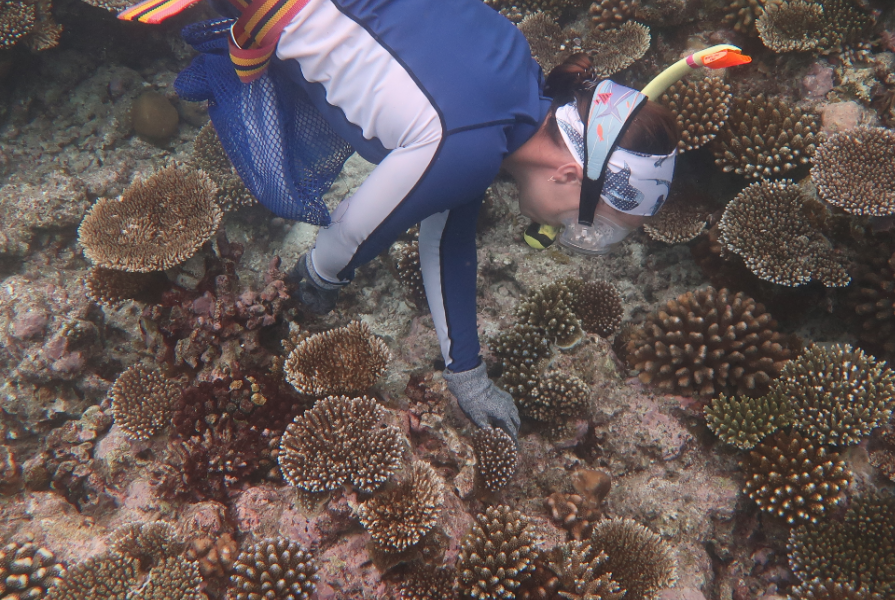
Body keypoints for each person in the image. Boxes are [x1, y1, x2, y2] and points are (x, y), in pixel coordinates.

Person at [118, 0, 749, 440]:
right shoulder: (466, 148)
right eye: (598, 225)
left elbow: (447, 234)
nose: (575, 236)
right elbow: (351, 233)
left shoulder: (517, 87)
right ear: (569, 176)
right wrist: (315, 283)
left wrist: (466, 373)